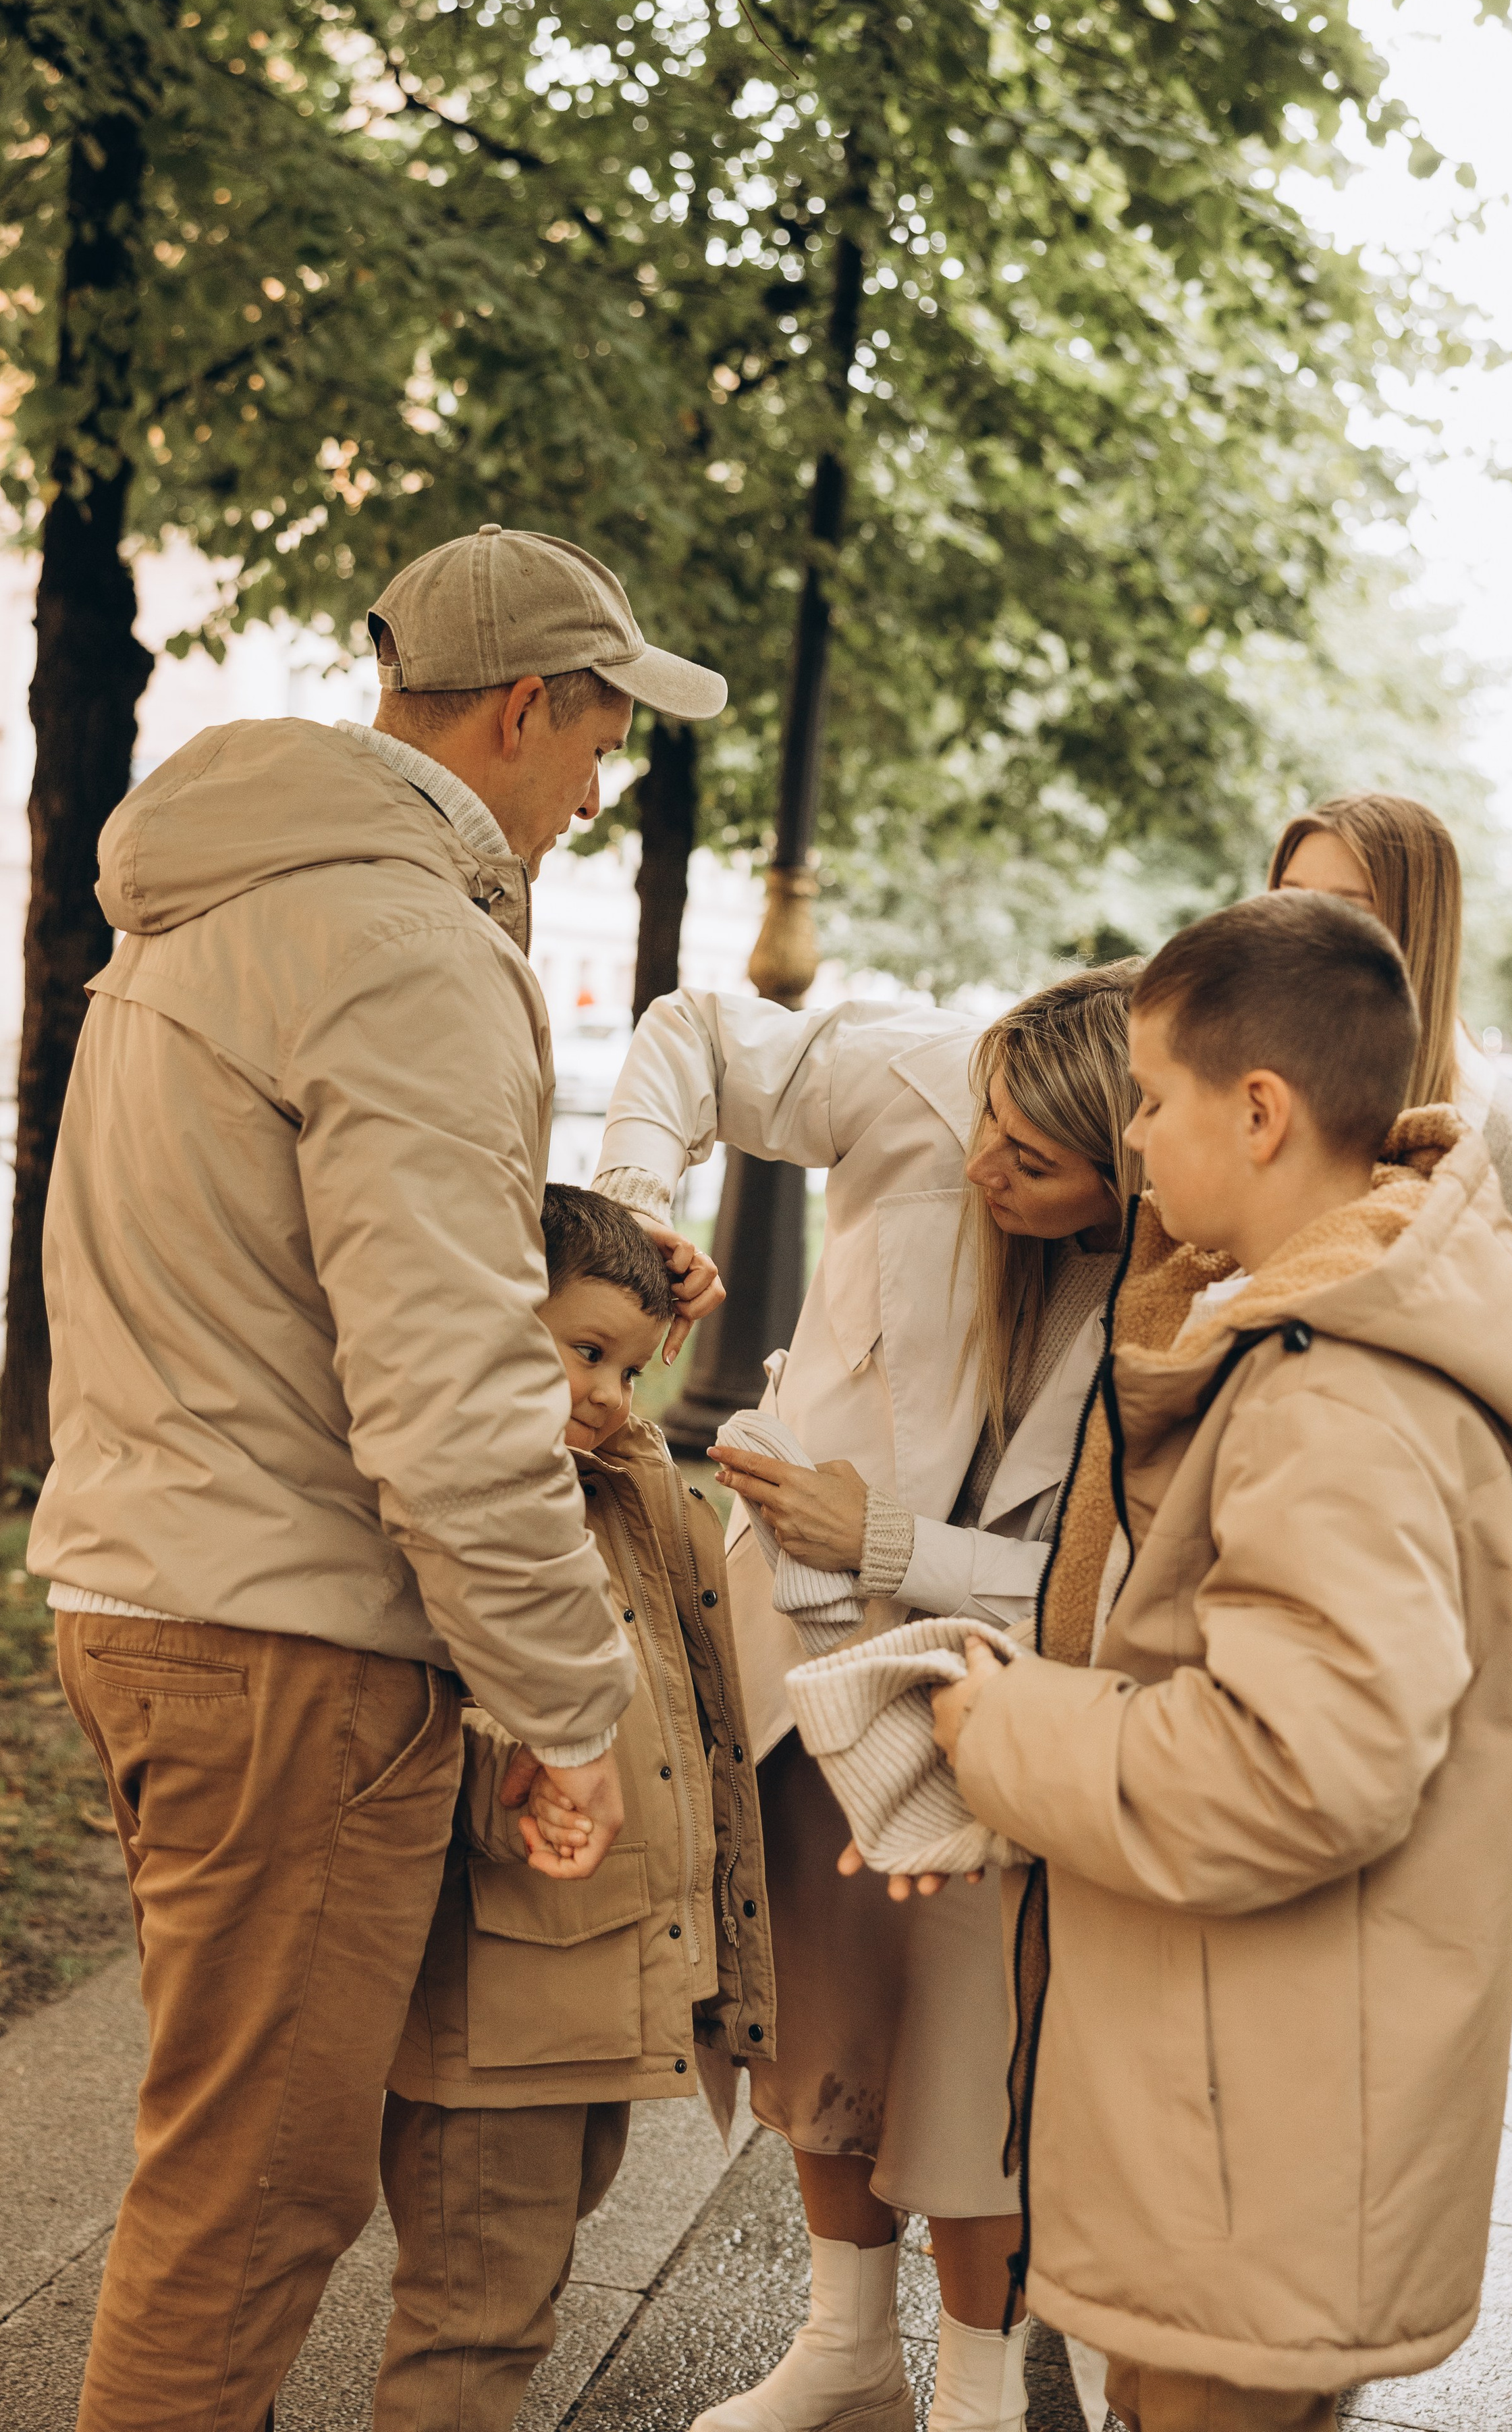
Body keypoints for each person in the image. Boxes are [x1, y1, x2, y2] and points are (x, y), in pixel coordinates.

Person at [32, 525, 727, 2432]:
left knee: (234, 2179)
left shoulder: (208, 906)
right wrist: (566, 1697)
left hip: (159, 1590)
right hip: (287, 1644)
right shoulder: (411, 943)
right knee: (251, 2207)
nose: (599, 793)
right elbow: (444, 1389)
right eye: (599, 745)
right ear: (524, 707)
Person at [933, 890, 1512, 2432]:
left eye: (1151, 1099)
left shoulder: (1327, 1390)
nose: (1133, 1140)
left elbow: (1297, 1766)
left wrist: (1004, 1729)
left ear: (1260, 1110)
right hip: (1251, 2101)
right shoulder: (1323, 1346)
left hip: (1250, 2134)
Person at [594, 965, 1141, 2432]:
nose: (980, 1163)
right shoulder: (922, 1072)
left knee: (972, 2057)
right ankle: (846, 2351)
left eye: (1029, 1163)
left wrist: (886, 1545)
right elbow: (692, 1035)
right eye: (986, 1123)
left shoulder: (1175, 1274)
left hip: (999, 1701)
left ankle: (975, 2391)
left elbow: (1109, 1588)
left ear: (1124, 1177)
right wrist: (638, 1208)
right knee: (806, 2015)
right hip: (797, 1654)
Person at [377, 1186, 774, 2429]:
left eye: (636, 1368)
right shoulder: (478, 1516)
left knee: (522, 2289)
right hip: (500, 2003)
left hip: (588, 1984)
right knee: (475, 2318)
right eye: (581, 1351)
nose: (611, 1392)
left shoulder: (613, 1489)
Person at [1270, 788, 1512, 1287]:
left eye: (1346, 911)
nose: (1301, 933)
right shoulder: (1257, 1076)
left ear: (1416, 928)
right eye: (1289, 899)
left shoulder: (1499, 1131)